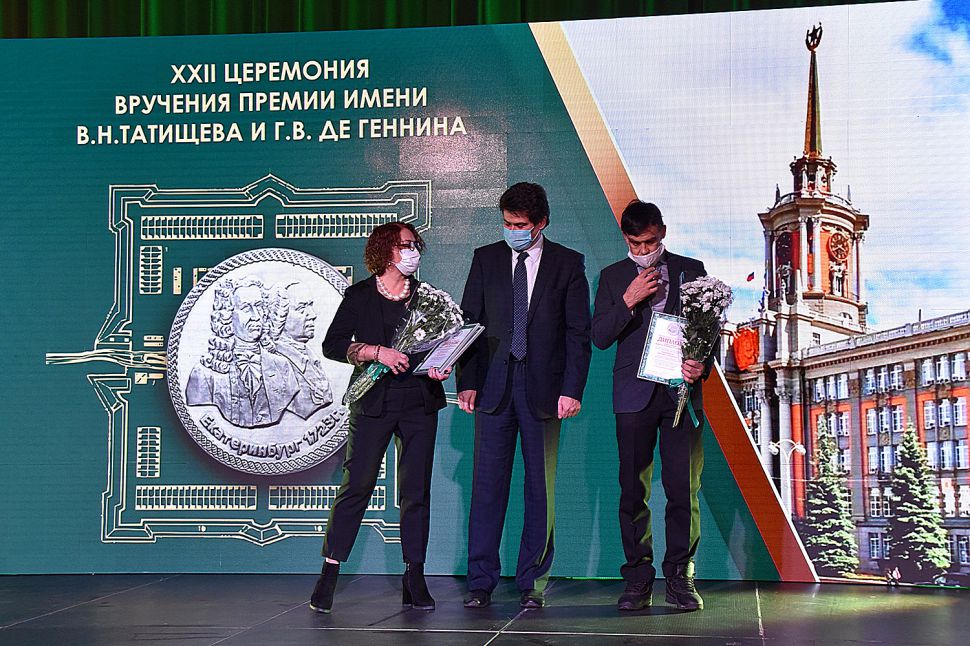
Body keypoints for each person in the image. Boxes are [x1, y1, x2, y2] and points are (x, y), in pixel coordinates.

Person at [457, 182, 591, 609]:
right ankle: (480, 581)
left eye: (521, 225)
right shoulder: (486, 258)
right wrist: (466, 381)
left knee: (540, 489)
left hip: (545, 391)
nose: (512, 231)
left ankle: (532, 582)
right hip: (492, 388)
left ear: (541, 223)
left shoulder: (568, 263)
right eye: (507, 223)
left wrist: (572, 389)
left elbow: (578, 333)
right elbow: (469, 325)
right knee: (487, 488)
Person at [309, 222, 451, 614]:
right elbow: (334, 344)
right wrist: (376, 352)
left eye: (415, 245)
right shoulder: (359, 296)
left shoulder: (427, 297)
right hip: (373, 402)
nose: (413, 251)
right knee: (357, 485)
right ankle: (329, 572)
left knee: (415, 491)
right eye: (406, 245)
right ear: (386, 250)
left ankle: (414, 575)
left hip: (419, 402)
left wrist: (441, 365)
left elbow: (439, 345)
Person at [591, 200, 716, 612]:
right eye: (634, 244)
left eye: (649, 242)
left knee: (684, 489)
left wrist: (701, 363)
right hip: (633, 395)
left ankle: (680, 578)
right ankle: (637, 578)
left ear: (662, 232)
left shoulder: (691, 270)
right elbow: (600, 337)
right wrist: (628, 299)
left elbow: (710, 331)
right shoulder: (612, 277)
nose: (643, 251)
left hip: (680, 394)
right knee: (633, 490)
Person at [186, 276, 304, 427]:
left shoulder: (283, 367)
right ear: (227, 315)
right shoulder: (204, 374)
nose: (256, 316)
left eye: (259, 306)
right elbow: (197, 419)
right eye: (246, 308)